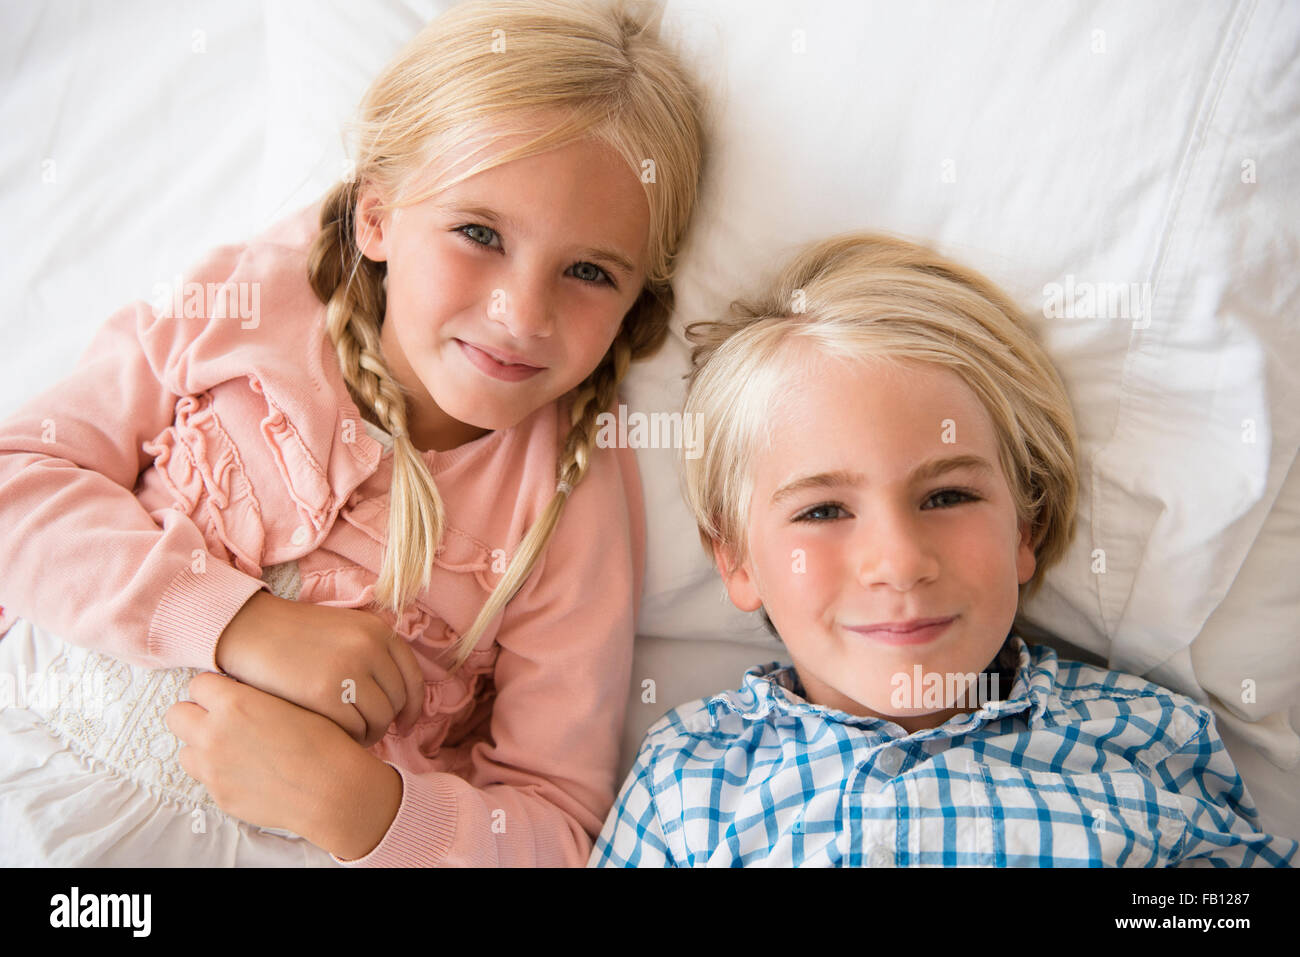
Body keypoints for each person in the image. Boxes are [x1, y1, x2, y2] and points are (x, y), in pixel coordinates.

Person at [0, 0, 704, 867]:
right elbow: (19, 478)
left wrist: (362, 807)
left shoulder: (572, 498)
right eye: (479, 233)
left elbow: (558, 827)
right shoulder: (252, 300)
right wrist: (241, 625)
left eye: (590, 271)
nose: (520, 313)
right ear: (377, 216)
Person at [589, 232, 1298, 867]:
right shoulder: (690, 782)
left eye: (948, 496)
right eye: (824, 509)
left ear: (1026, 527)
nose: (898, 561)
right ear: (738, 560)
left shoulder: (1140, 737)